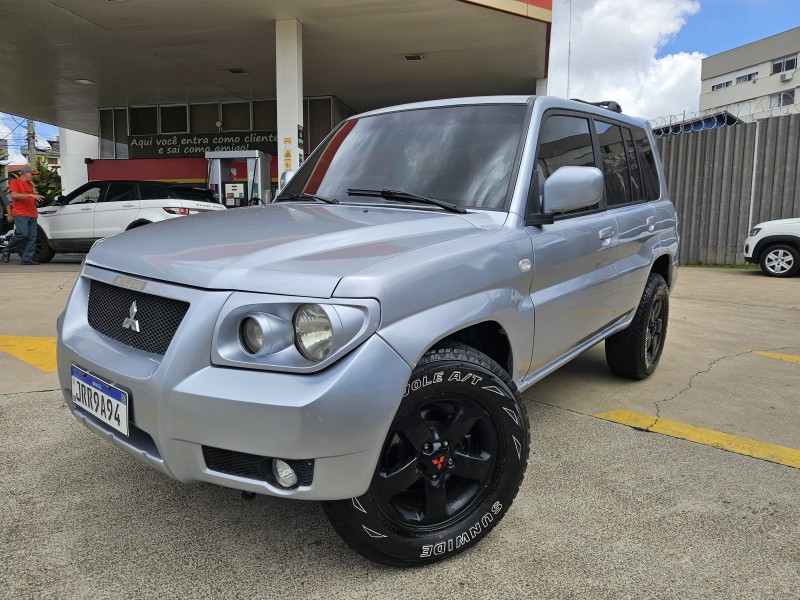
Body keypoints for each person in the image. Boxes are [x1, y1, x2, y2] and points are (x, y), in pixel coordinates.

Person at [2, 165, 44, 265]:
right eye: (31, 174)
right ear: (25, 173)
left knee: (32, 237)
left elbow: (31, 200)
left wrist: (35, 211)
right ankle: (7, 249)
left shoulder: (30, 185)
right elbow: (14, 195)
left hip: (32, 214)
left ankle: (26, 259)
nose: (33, 176)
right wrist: (30, 195)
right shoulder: (15, 182)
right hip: (20, 213)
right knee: (22, 234)